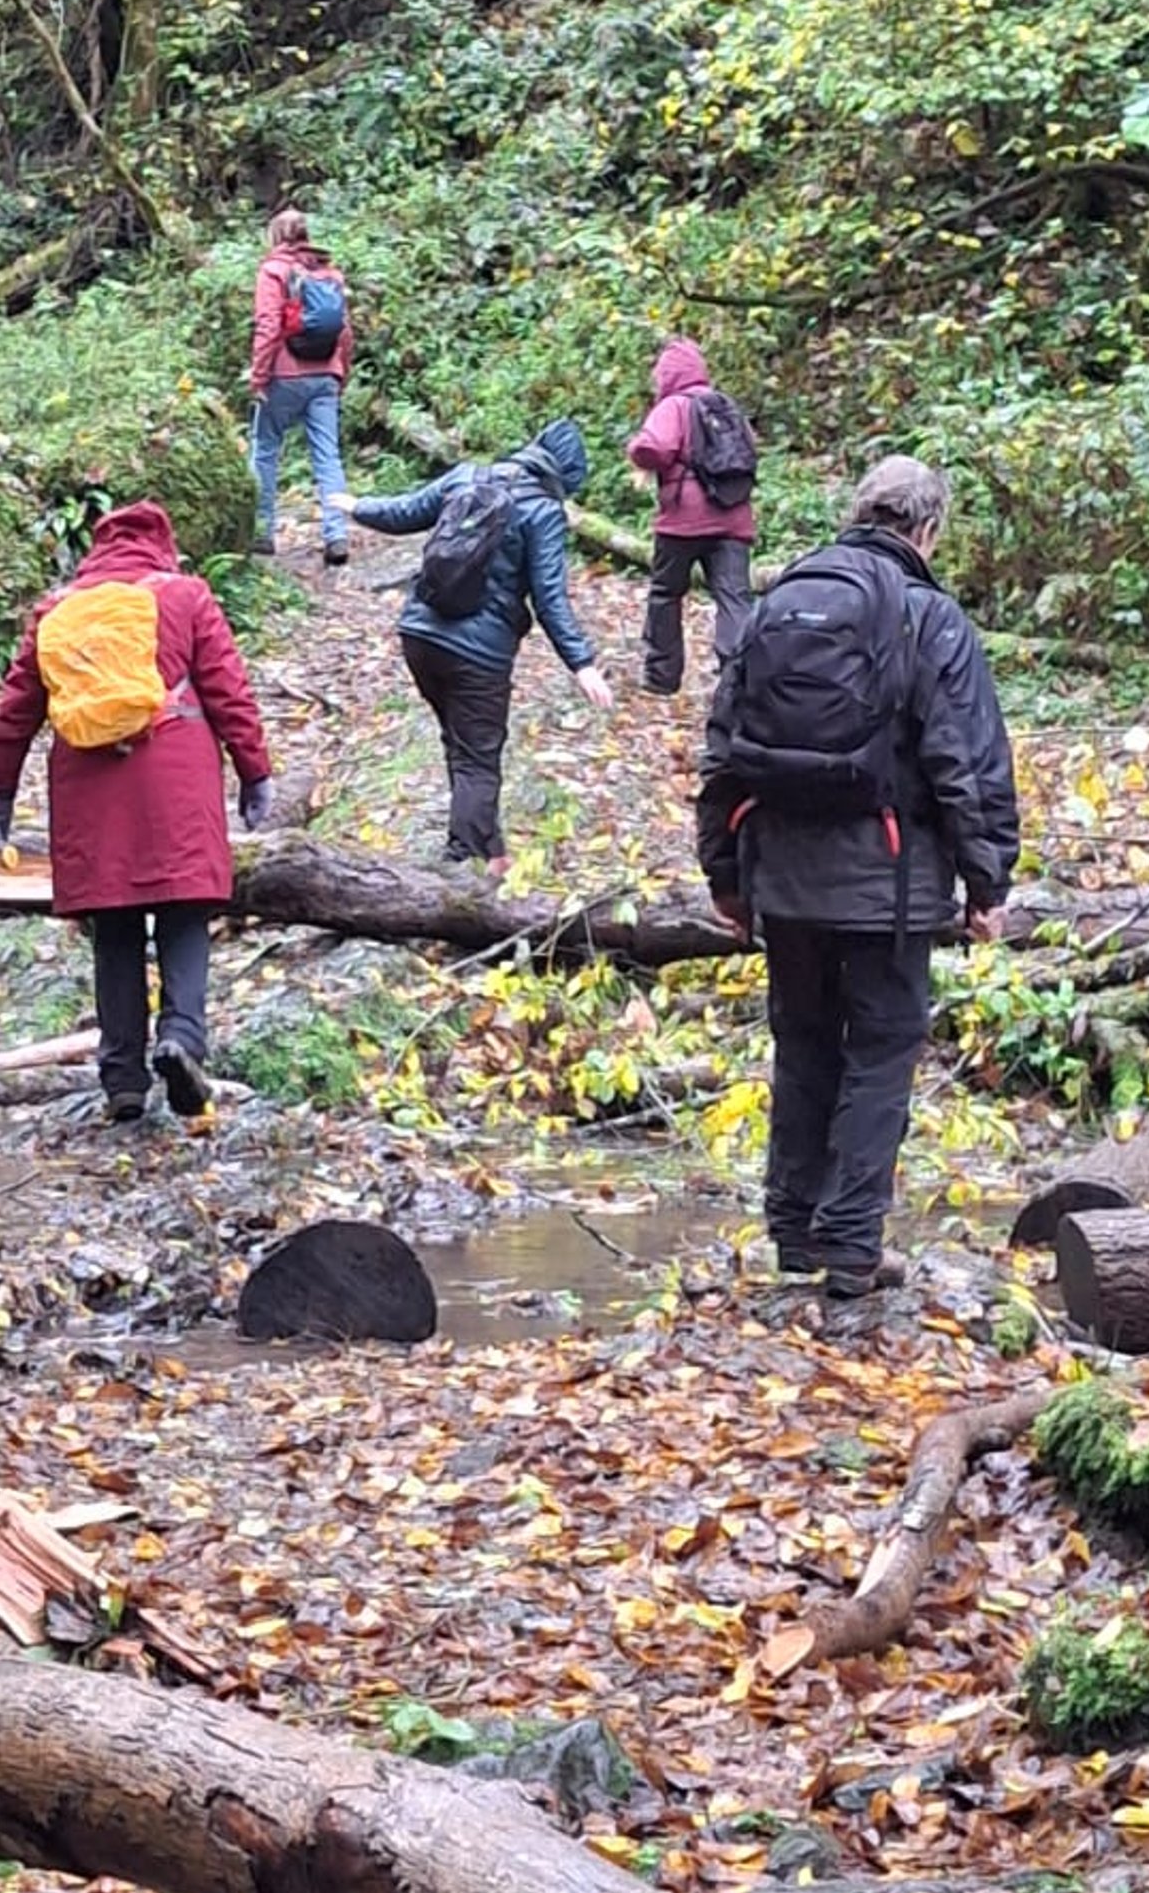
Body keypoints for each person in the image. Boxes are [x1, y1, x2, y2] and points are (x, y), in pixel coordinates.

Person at [696, 455, 1017, 1301]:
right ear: (928, 530)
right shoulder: (931, 620)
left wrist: (725, 876)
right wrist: (989, 886)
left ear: (859, 513)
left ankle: (795, 1233)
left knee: (803, 1045)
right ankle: (849, 1243)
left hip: (784, 882)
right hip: (889, 882)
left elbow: (723, 749)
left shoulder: (781, 602)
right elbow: (967, 765)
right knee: (880, 1051)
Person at [0, 498, 274, 1122]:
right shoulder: (186, 596)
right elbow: (228, 690)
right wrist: (255, 772)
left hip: (88, 787)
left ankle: (123, 1081)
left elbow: (15, 712)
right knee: (185, 911)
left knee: (115, 928)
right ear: (163, 545)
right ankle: (182, 1040)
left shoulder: (58, 611)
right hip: (176, 777)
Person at [350, 417, 613, 865]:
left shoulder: (468, 475)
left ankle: (490, 850)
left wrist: (354, 505)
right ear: (563, 477)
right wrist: (582, 663)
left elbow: (404, 512)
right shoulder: (545, 511)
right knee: (477, 759)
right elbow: (550, 598)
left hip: (419, 634)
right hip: (477, 655)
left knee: (462, 742)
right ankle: (462, 874)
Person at [627, 336, 757, 693]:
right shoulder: (727, 406)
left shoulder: (673, 407)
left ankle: (661, 677)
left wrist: (635, 451)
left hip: (682, 521)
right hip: (733, 518)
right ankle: (738, 679)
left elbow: (654, 447)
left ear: (667, 375)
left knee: (666, 594)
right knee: (734, 597)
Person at [249, 205, 354, 566]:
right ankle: (337, 535)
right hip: (325, 373)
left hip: (284, 374)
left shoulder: (274, 271)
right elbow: (345, 331)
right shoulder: (331, 274)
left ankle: (261, 531)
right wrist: (341, 372)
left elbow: (267, 326)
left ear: (276, 236)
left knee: (264, 448)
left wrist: (259, 376)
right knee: (328, 456)